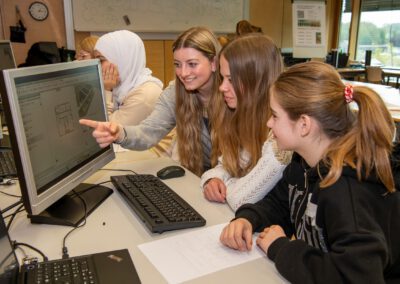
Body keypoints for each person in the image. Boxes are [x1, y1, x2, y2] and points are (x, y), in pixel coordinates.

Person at [220, 61, 400, 283]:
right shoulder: (302, 163)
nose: (268, 123)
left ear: (304, 125)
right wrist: (248, 219)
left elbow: (357, 278)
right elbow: (280, 203)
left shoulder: (346, 190)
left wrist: (282, 249)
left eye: (275, 116)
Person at [80, 26, 221, 176]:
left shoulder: (233, 95)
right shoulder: (175, 93)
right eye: (178, 65)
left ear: (213, 63)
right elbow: (148, 132)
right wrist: (119, 133)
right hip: (200, 177)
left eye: (192, 64)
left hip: (232, 180)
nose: (183, 73)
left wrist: (215, 177)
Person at [200, 34, 292, 211]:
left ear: (256, 81)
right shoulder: (243, 116)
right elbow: (225, 165)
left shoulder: (280, 135)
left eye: (231, 80)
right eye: (222, 78)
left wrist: (230, 183)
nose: (222, 87)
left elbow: (238, 199)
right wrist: (213, 180)